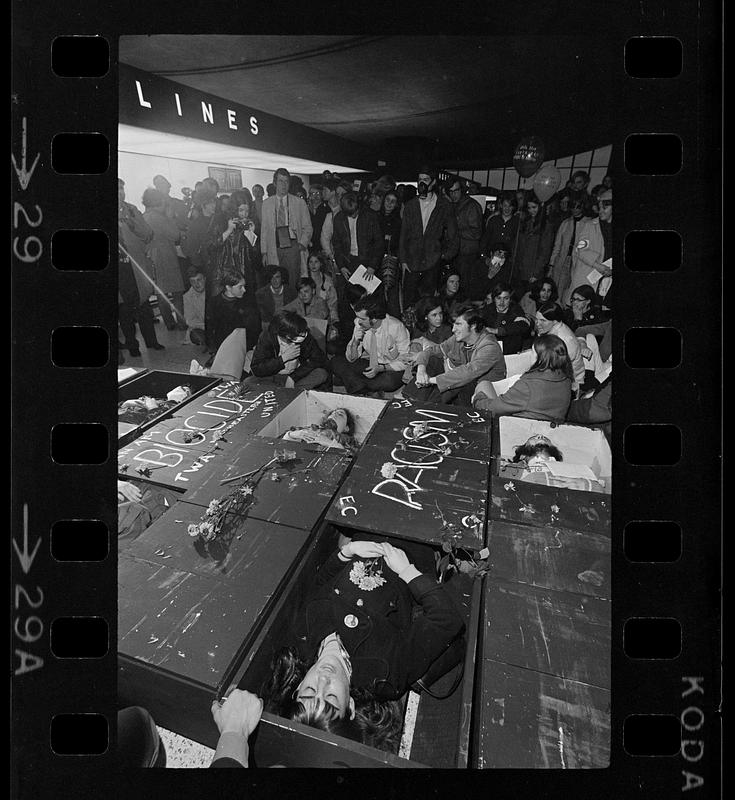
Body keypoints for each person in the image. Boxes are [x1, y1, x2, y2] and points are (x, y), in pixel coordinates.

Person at [260, 539, 465, 750]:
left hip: (360, 534)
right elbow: (446, 619)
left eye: (310, 690)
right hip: (413, 545)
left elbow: (321, 585)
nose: (323, 678)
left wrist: (346, 552)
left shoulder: (302, 637)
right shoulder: (385, 672)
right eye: (331, 696)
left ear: (298, 689)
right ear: (349, 705)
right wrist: (407, 570)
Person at [404, 303, 506, 405]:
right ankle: (412, 402)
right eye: (454, 324)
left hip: (484, 389)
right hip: (463, 382)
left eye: (458, 324)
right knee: (433, 360)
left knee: (458, 381)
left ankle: (424, 407)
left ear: (473, 325)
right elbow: (433, 350)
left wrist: (430, 380)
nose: (453, 329)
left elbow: (468, 373)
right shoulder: (459, 339)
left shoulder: (489, 346)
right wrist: (421, 371)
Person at [472, 333, 573, 420]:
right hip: (546, 430)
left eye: (532, 352)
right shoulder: (566, 381)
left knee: (483, 385)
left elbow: (492, 408)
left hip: (519, 430)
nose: (529, 355)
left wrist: (478, 399)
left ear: (540, 359)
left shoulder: (528, 386)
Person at [399, 166, 459, 307]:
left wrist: (444, 255)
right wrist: (403, 260)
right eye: (420, 180)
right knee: (409, 301)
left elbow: (453, 235)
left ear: (433, 182)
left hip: (432, 261)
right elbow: (404, 234)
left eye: (426, 180)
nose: (422, 183)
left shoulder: (444, 205)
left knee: (427, 302)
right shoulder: (410, 205)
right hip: (411, 261)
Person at [118, 179, 164, 354]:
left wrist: (131, 221)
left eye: (122, 188)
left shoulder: (132, 210)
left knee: (143, 305)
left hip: (136, 266)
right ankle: (132, 345)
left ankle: (152, 341)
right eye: (117, 189)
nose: (120, 192)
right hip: (119, 269)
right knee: (124, 309)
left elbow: (147, 234)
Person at [330, 191, 383, 342]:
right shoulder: (339, 218)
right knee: (346, 303)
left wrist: (373, 266)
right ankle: (349, 339)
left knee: (369, 301)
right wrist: (341, 266)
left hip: (367, 264)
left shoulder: (370, 216)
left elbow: (379, 244)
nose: (353, 216)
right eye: (349, 214)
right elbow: (337, 244)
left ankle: (373, 338)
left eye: (354, 213)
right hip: (348, 263)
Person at [330, 295, 409, 397]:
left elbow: (405, 360)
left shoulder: (396, 327)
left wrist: (381, 368)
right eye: (357, 317)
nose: (358, 321)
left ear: (374, 319)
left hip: (389, 368)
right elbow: (352, 359)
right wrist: (355, 343)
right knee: (336, 362)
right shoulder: (359, 324)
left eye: (362, 318)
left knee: (388, 382)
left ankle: (356, 385)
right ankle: (365, 387)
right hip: (369, 363)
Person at [247, 309, 331, 390]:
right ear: (288, 336)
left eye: (305, 332)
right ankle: (289, 391)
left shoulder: (305, 336)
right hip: (273, 376)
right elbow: (256, 368)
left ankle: (284, 391)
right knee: (249, 381)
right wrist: (283, 358)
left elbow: (318, 359)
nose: (304, 335)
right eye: (300, 335)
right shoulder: (267, 337)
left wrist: (293, 377)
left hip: (297, 375)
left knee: (321, 374)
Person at [141, 187, 187, 331]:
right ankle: (181, 322)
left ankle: (169, 322)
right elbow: (175, 235)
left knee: (161, 292)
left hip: (152, 257)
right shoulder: (160, 217)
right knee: (177, 292)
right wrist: (170, 217)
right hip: (166, 255)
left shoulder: (144, 216)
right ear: (158, 202)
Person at [260, 167, 313, 289]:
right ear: (274, 183)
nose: (283, 185)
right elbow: (264, 230)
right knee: (276, 280)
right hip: (274, 246)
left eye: (286, 181)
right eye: (280, 181)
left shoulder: (299, 203)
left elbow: (308, 227)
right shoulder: (267, 204)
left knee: (293, 280)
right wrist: (264, 252)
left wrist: (302, 244)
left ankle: (294, 305)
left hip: (293, 246)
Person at [565, 189, 613, 307]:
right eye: (599, 207)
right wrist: (599, 267)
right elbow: (580, 251)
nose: (600, 211)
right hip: (589, 276)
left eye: (604, 208)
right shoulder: (590, 226)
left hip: (608, 280)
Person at [209, 196, 262, 297]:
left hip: (244, 272)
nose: (244, 213)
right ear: (234, 208)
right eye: (241, 210)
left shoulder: (248, 223)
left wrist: (252, 234)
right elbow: (211, 246)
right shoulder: (219, 219)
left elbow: (255, 255)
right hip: (224, 269)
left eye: (247, 210)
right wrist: (228, 230)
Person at [206, 270, 261, 358]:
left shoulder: (248, 302)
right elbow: (210, 329)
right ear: (228, 287)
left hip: (243, 347)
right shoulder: (214, 303)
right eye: (240, 287)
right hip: (222, 347)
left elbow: (255, 329)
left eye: (244, 286)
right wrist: (213, 350)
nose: (244, 290)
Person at [534, 302, 585, 390]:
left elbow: (556, 372)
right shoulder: (551, 329)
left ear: (555, 321)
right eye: (537, 319)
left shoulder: (563, 340)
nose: (537, 324)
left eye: (543, 320)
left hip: (570, 384)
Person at [549, 195, 591, 302]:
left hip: (579, 262)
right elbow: (557, 245)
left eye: (578, 207)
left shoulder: (589, 224)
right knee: (557, 287)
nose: (575, 209)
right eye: (573, 206)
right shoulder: (566, 223)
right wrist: (551, 264)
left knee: (572, 289)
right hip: (563, 260)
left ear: (582, 207)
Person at [447, 178, 483, 296]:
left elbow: (476, 233)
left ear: (462, 190)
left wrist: (455, 231)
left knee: (463, 288)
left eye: (456, 190)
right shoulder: (452, 205)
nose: (453, 194)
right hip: (455, 253)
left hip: (467, 255)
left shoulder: (472, 206)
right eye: (451, 191)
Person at [513, 192, 554, 295]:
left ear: (540, 206)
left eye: (534, 207)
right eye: (529, 207)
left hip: (533, 270)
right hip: (520, 268)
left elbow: (545, 252)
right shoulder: (525, 223)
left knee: (530, 298)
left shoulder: (546, 226)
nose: (531, 210)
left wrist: (536, 273)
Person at [283, 276, 338, 353]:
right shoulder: (299, 300)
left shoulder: (320, 302)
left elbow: (316, 318)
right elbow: (283, 311)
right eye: (300, 292)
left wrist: (296, 319)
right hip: (304, 335)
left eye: (306, 292)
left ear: (313, 291)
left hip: (322, 336)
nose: (303, 295)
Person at [480, 282, 531, 355]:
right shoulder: (487, 309)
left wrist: (498, 331)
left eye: (506, 298)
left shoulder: (516, 310)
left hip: (509, 353)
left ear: (510, 299)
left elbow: (523, 325)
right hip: (489, 352)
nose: (501, 302)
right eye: (498, 298)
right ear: (494, 299)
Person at [378, 189, 403, 318]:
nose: (389, 204)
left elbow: (399, 242)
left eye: (393, 202)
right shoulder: (376, 216)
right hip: (376, 261)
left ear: (396, 205)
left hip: (391, 261)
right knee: (378, 296)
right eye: (387, 200)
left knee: (392, 297)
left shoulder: (398, 221)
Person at [306, 251, 340, 338]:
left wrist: (334, 323)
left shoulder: (328, 281)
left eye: (316, 262)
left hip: (324, 319)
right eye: (311, 262)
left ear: (321, 263)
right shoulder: (304, 280)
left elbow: (332, 303)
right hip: (307, 319)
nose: (313, 265)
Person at [255, 266, 297, 330]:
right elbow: (264, 316)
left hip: (287, 322)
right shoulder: (260, 293)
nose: (274, 280)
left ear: (282, 278)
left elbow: (294, 310)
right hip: (269, 323)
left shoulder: (291, 291)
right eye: (272, 277)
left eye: (277, 277)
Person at [183, 270, 208, 348]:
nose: (196, 284)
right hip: (202, 327)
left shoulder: (213, 291)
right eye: (192, 281)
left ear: (205, 279)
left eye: (199, 280)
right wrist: (207, 326)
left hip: (218, 326)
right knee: (196, 336)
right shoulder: (187, 297)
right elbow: (189, 320)